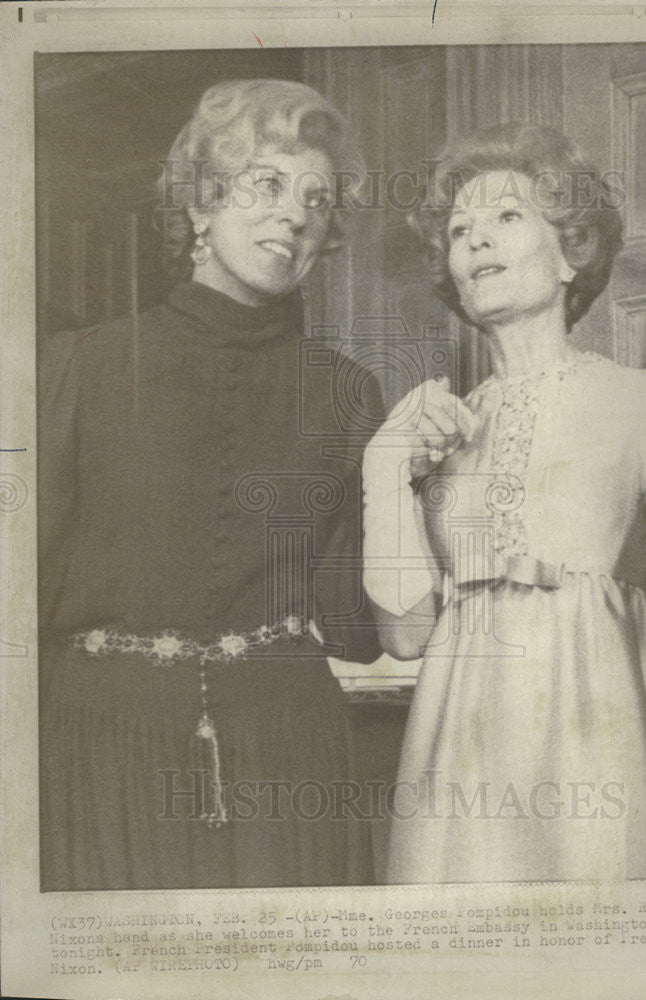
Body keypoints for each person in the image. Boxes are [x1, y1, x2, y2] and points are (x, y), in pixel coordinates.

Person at [38, 79, 384, 890]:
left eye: (318, 201)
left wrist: (406, 477)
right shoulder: (76, 367)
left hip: (291, 753)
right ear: (201, 202)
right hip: (101, 747)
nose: (296, 216)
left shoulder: (345, 391)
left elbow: (356, 630)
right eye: (267, 184)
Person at [363, 122, 646, 883]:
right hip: (464, 747)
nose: (477, 241)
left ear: (570, 252)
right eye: (460, 231)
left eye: (506, 218)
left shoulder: (640, 401)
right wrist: (383, 476)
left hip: (605, 733)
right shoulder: (435, 432)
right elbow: (406, 635)